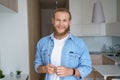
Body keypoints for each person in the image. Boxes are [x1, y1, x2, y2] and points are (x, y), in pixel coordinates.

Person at [34, 8, 92, 80]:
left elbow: (87, 68)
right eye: (58, 20)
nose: (61, 24)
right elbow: (37, 65)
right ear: (53, 21)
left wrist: (70, 71)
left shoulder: (79, 43)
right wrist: (44, 69)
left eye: (64, 20)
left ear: (69, 22)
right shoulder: (42, 43)